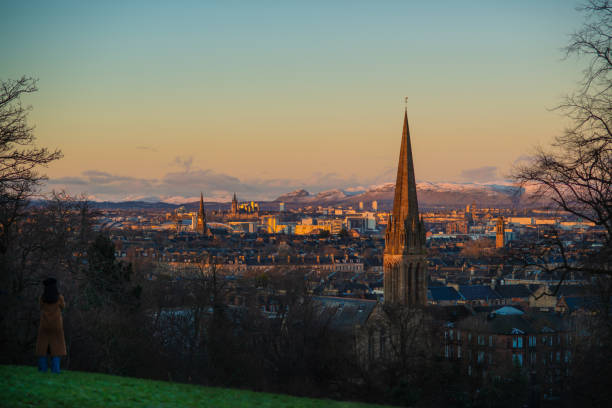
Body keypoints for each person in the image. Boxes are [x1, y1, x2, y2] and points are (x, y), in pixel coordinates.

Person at [35, 278, 66, 373]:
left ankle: (42, 369)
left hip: (44, 325)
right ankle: (55, 370)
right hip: (56, 326)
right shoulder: (59, 297)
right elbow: (63, 306)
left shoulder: (42, 298)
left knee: (42, 348)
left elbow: (40, 307)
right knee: (57, 349)